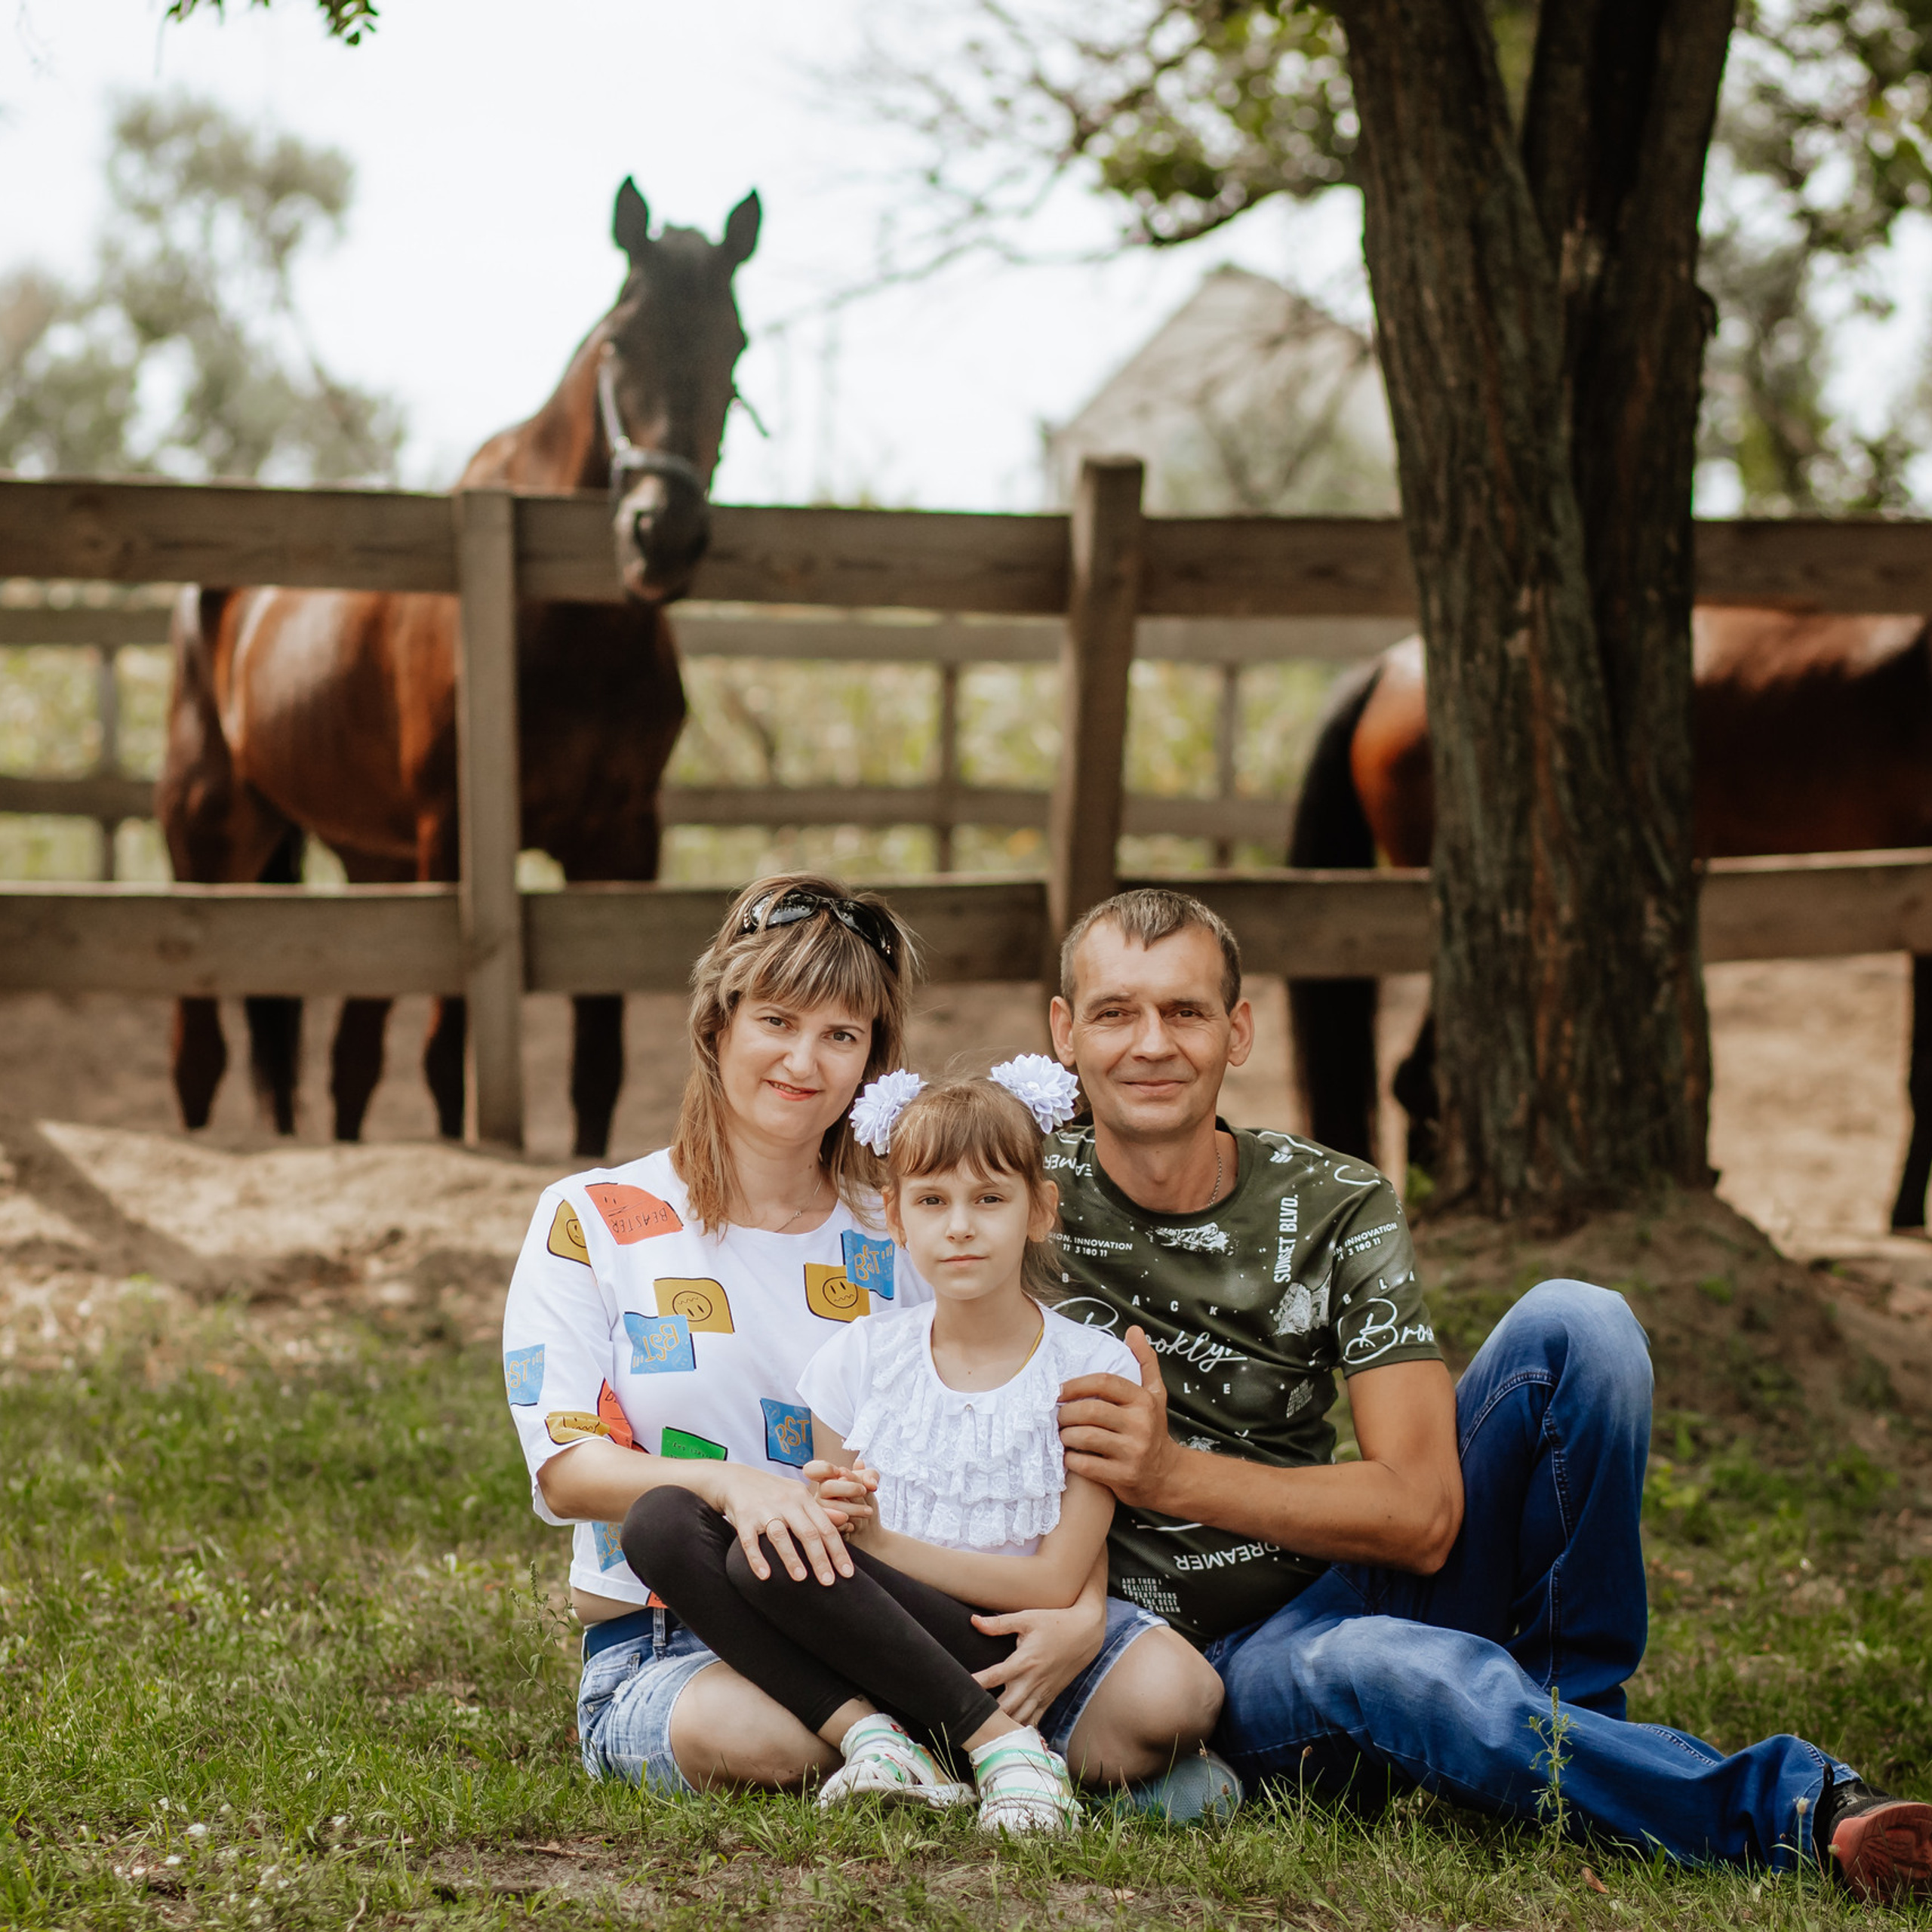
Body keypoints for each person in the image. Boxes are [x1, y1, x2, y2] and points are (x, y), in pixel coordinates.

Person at [1029, 884, 1932, 1898]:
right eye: (1115, 1012)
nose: (1151, 1043)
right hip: (1191, 1673)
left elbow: (1422, 1517)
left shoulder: (1333, 1202)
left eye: (1185, 1011)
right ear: (1064, 1032)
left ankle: (1567, 1727)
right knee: (1398, 1670)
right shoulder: (1007, 1200)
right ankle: (1804, 1810)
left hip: (1332, 1587)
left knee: (1582, 1325)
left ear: (1237, 1031)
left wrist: (1171, 1474)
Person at [500, 874, 1214, 1799]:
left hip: (908, 1609)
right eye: (776, 1021)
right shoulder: (593, 1217)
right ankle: (973, 1744)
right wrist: (733, 1483)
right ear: (716, 1024)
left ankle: (954, 1743)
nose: (804, 1061)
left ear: (872, 1060)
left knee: (1171, 1696)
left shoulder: (908, 1226)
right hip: (682, 1632)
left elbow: (1030, 1416)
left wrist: (1077, 1609)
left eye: (842, 1035)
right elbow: (567, 1469)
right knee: (774, 1738)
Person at [626, 1066, 1198, 1831]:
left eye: (989, 1199)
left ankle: (987, 1743)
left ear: (1040, 1210)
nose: (959, 1226)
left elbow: (1056, 1579)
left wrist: (874, 1542)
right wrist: (838, 1518)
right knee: (665, 1522)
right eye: (932, 1201)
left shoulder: (1090, 1367)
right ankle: (906, 1744)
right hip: (877, 1642)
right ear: (895, 1216)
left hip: (1007, 1641)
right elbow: (838, 1566)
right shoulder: (857, 1360)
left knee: (1179, 1694)